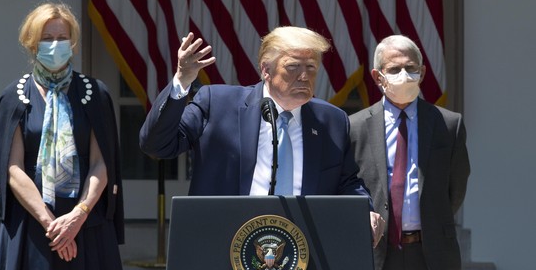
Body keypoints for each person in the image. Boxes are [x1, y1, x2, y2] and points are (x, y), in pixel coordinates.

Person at [139, 26, 384, 245]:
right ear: (266, 70)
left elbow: (348, 181)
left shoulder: (332, 120)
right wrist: (182, 81)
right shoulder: (218, 103)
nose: (304, 76)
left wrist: (363, 209)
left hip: (305, 248)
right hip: (225, 243)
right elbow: (157, 145)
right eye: (293, 67)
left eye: (311, 68)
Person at [0, 2, 128, 270]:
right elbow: (13, 169)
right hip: (33, 225)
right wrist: (53, 225)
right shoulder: (14, 97)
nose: (56, 45)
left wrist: (77, 216)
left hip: (86, 226)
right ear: (32, 44)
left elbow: (102, 163)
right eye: (47, 38)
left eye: (62, 38)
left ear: (72, 42)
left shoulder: (94, 93)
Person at [349, 35, 470, 270]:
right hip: (376, 255)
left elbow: (456, 188)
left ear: (423, 72)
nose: (404, 75)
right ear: (378, 76)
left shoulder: (449, 125)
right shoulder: (355, 127)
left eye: (411, 68)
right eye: (394, 69)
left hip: (430, 255)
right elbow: (348, 183)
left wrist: (428, 218)